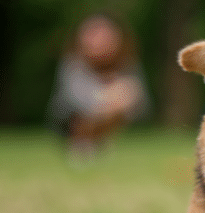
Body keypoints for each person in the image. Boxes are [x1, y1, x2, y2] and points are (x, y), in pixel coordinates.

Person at [48, 13, 147, 161]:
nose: (99, 42)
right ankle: (81, 143)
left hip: (113, 116)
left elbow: (141, 102)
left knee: (126, 92)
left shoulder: (126, 64)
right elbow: (72, 100)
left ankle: (100, 142)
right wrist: (108, 98)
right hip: (73, 120)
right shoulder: (73, 64)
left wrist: (121, 98)